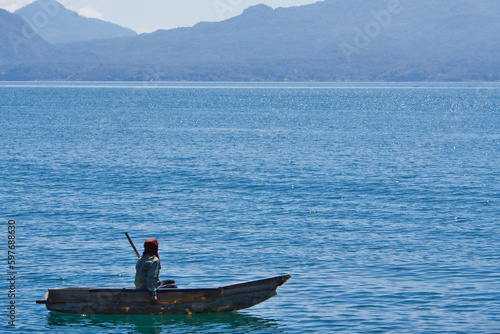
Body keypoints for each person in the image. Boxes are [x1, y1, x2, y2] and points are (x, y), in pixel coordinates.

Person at [135, 238, 177, 304]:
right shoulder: (153, 260)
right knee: (173, 286)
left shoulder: (141, 259)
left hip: (140, 286)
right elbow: (151, 279)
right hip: (146, 288)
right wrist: (153, 294)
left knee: (171, 281)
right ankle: (172, 303)